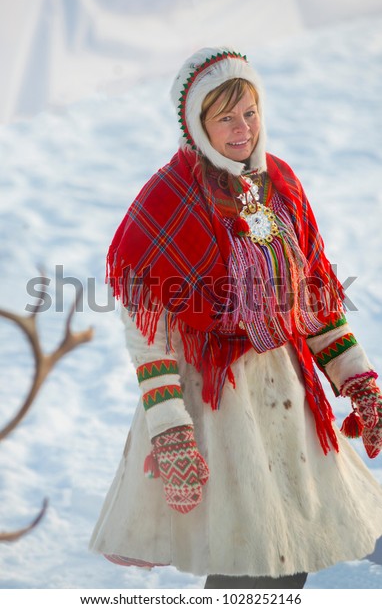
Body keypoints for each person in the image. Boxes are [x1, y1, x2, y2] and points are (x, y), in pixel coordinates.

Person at [89, 47, 382, 589]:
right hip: (216, 410)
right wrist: (171, 432)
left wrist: (358, 379)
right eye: (225, 117)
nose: (242, 128)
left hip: (288, 405)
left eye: (250, 111)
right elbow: (150, 340)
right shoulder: (167, 202)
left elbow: (314, 298)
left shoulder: (282, 186)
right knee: (244, 566)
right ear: (197, 126)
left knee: (288, 561)